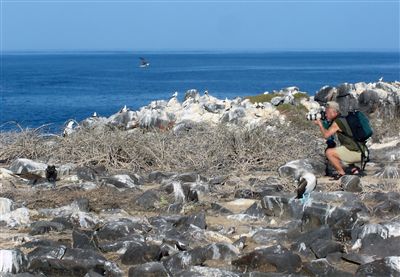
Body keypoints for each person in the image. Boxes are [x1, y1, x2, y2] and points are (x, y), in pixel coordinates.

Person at [314, 101, 364, 179]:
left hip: (357, 153)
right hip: (361, 150)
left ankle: (341, 173)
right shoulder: (343, 118)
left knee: (329, 152)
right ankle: (354, 169)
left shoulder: (337, 122)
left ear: (334, 112)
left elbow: (326, 135)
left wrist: (320, 124)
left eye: (327, 112)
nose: (325, 114)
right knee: (342, 148)